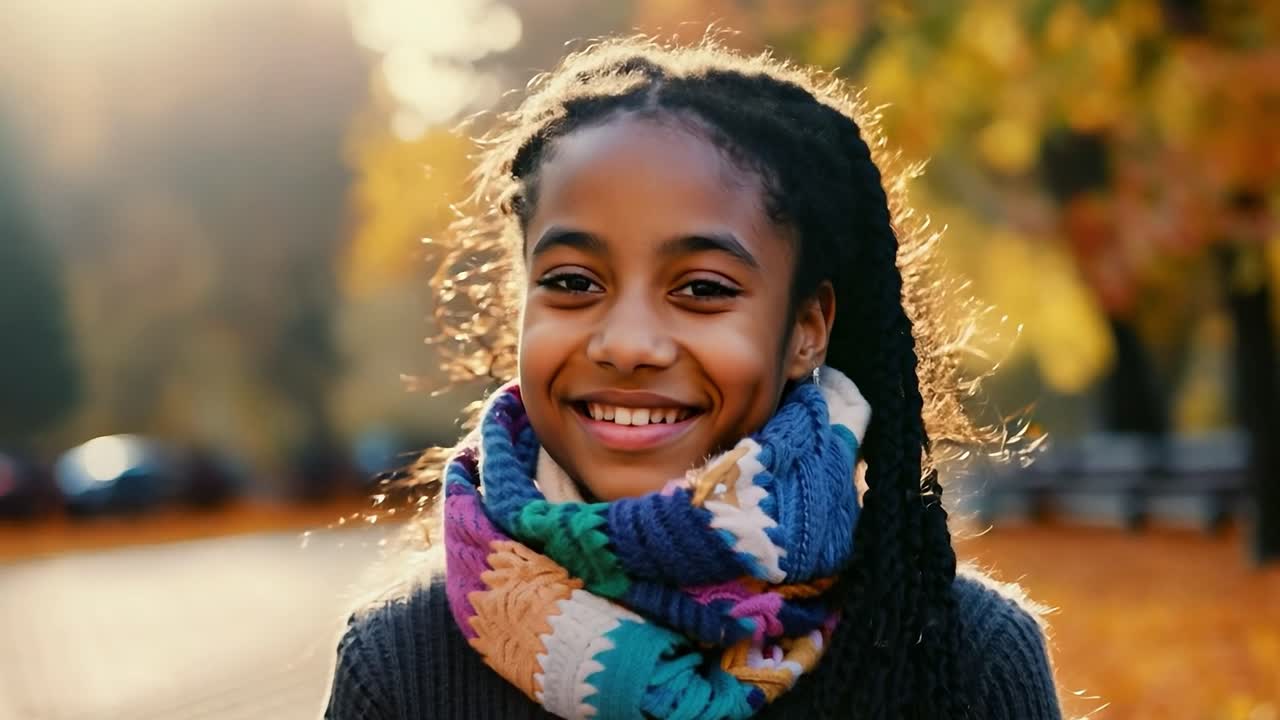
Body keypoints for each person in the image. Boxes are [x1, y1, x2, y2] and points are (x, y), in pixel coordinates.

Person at [324, 36, 1062, 720]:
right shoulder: (401, 665)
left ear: (807, 328)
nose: (628, 344)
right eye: (574, 281)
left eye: (703, 288)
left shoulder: (965, 658)